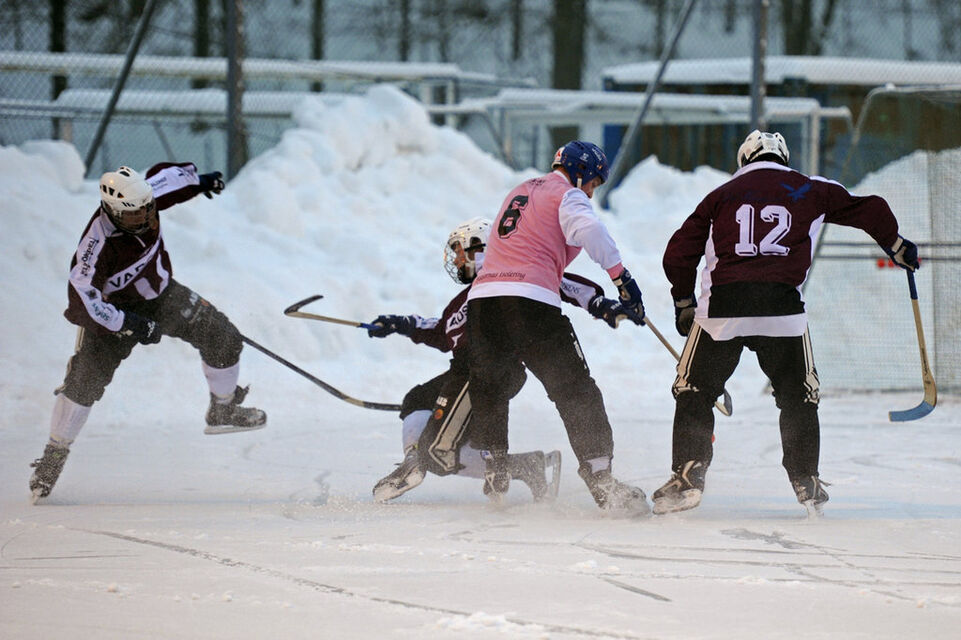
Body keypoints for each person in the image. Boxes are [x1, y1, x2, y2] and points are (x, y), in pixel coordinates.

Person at [653, 129, 921, 516]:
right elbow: (871, 208)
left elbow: (679, 252)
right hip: (782, 309)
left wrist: (683, 301)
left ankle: (688, 474)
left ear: (744, 159)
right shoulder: (810, 188)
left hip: (723, 308)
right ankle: (805, 478)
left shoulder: (720, 194)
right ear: (784, 158)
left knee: (694, 389)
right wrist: (895, 245)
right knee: (799, 395)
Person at [29, 163, 267, 502]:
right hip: (113, 313)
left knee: (224, 337)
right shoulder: (95, 247)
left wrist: (201, 182)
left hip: (161, 294)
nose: (143, 218)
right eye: (133, 215)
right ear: (112, 212)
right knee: (85, 381)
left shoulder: (145, 199)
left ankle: (223, 409)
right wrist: (131, 324)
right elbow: (86, 302)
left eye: (147, 209)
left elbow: (174, 180)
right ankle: (53, 456)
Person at [368, 217, 634, 504]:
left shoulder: (515, 277)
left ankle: (421, 461)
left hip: (483, 371)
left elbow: (561, 282)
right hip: (463, 371)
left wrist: (598, 302)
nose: (456, 261)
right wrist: (400, 324)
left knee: (437, 454)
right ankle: (519, 465)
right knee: (417, 399)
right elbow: (444, 332)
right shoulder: (469, 296)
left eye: (459, 253)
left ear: (481, 248)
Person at [466, 141, 649, 514]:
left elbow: (525, 257)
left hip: (483, 303)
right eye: (593, 183)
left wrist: (595, 301)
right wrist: (621, 278)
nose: (591, 193)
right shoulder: (567, 195)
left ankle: (496, 467)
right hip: (529, 305)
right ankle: (601, 479)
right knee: (575, 390)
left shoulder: (520, 191)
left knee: (490, 387)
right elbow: (590, 230)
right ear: (580, 172)